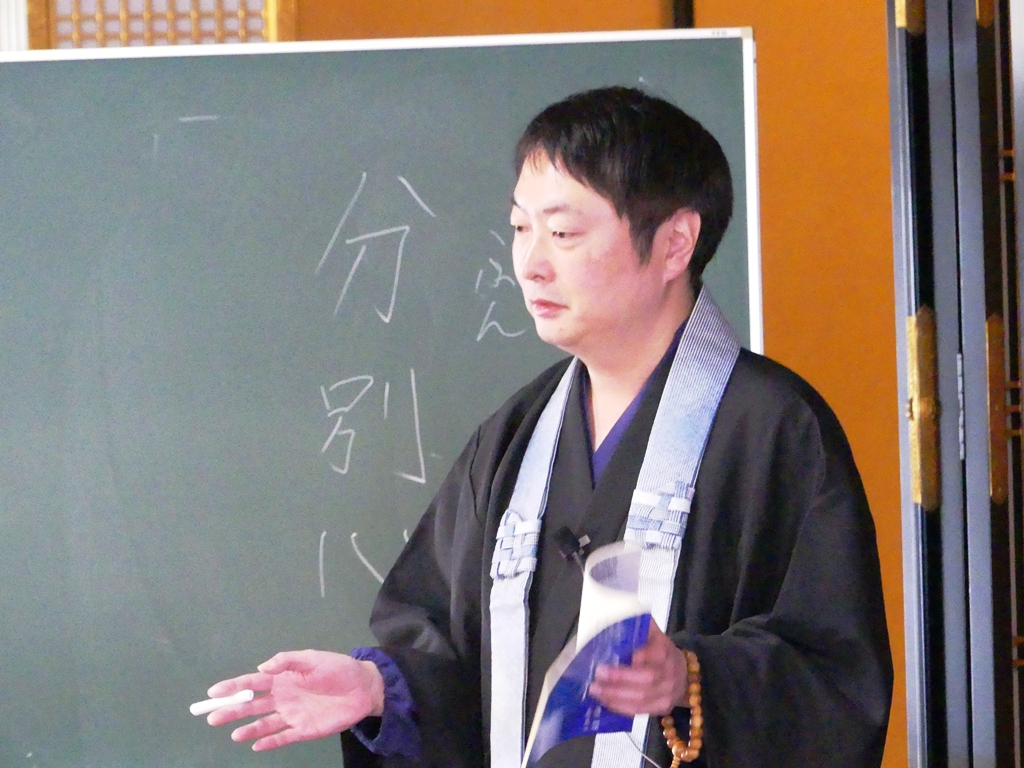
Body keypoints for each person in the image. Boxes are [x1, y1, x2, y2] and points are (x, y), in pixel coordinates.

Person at [204, 86, 893, 768]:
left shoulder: (774, 431)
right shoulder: (513, 440)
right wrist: (381, 689)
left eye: (563, 234)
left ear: (675, 243)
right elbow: (451, 654)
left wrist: (690, 675)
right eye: (519, 229)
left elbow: (835, 681)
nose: (531, 264)